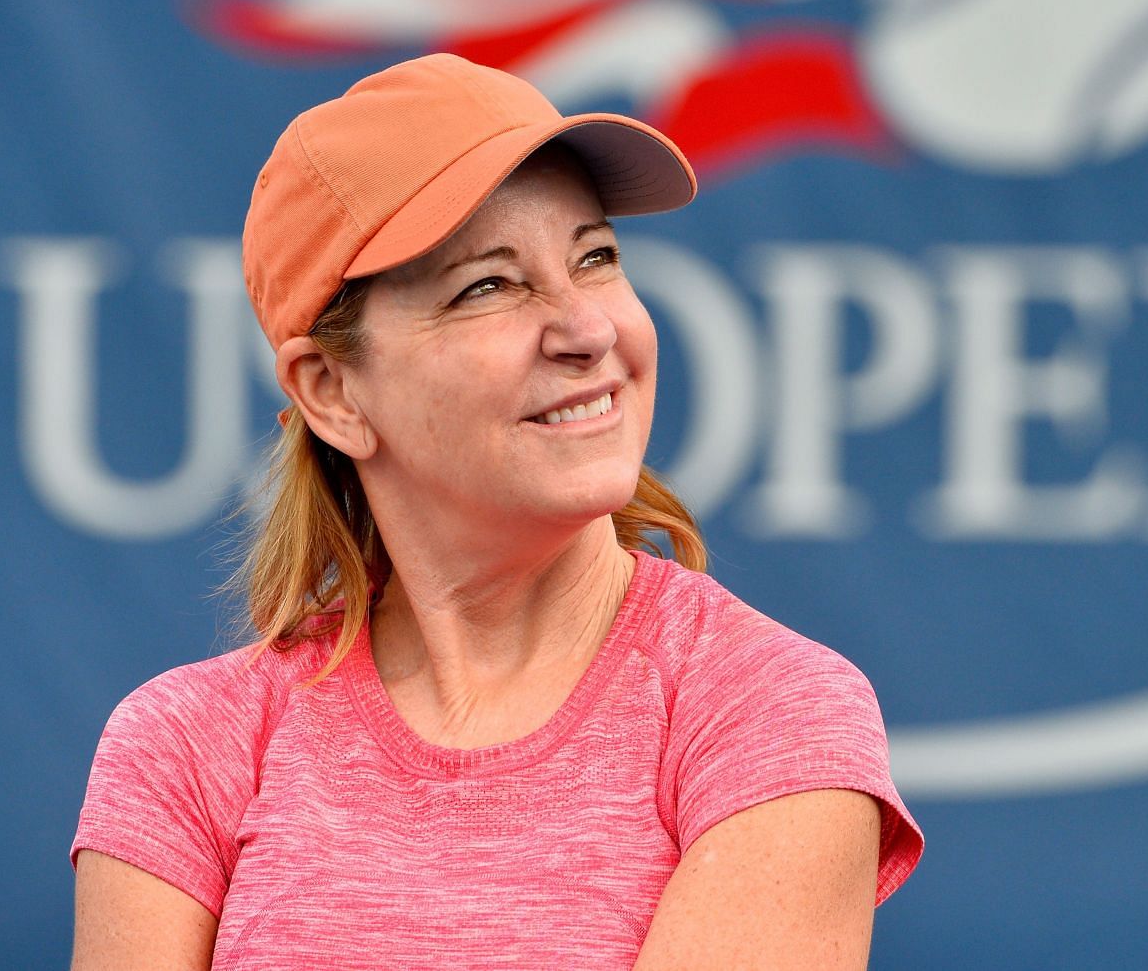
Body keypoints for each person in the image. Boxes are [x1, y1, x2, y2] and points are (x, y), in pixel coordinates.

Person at [69, 54, 924, 970]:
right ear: (332, 391)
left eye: (595, 258)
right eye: (489, 285)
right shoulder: (180, 744)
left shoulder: (772, 708)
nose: (588, 329)